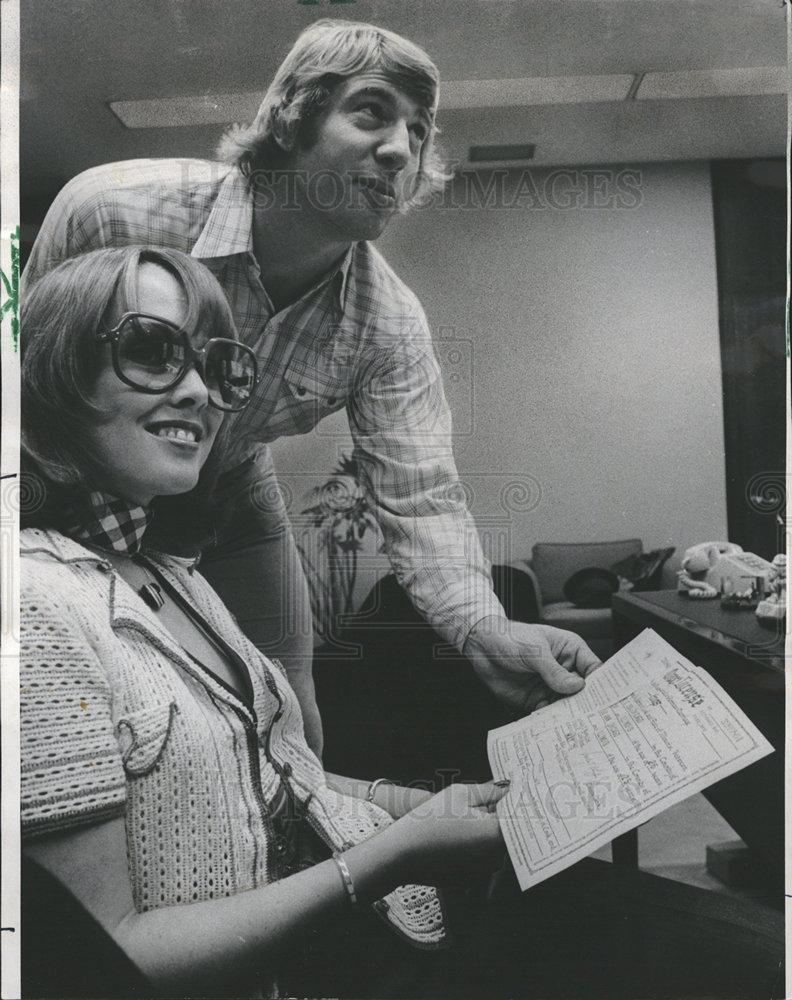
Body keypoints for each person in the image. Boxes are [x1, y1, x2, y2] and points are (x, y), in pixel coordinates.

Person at [19, 247, 785, 1000]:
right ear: (56, 370)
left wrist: (417, 807)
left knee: (763, 954)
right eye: (153, 351)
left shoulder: (169, 570)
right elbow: (108, 960)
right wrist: (392, 855)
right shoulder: (37, 603)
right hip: (322, 962)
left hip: (382, 915)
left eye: (216, 369)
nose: (196, 393)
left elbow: (282, 776)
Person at [22, 19, 599, 759]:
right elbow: (25, 382)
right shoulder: (116, 209)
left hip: (227, 482)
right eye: (371, 112)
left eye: (419, 131)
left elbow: (420, 493)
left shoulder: (388, 324)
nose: (402, 148)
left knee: (290, 714)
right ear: (293, 115)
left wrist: (486, 632)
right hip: (62, 476)